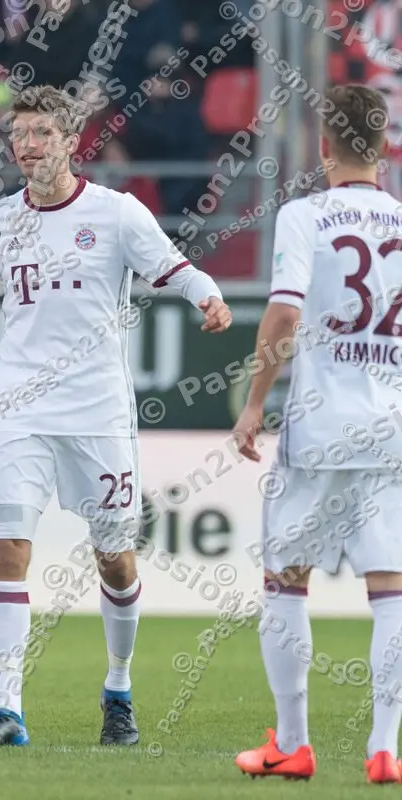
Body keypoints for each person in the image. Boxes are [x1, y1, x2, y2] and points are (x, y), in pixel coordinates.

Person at [0, 84, 231, 749]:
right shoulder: (1, 221)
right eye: (18, 136)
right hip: (21, 411)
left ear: (68, 139)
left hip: (98, 414)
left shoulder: (117, 213)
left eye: (40, 134)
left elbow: (174, 268)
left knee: (114, 560)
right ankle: (8, 710)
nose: (27, 147)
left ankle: (118, 685)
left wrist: (209, 296)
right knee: (8, 546)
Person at [233, 84, 402, 784]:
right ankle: (385, 747)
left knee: (284, 579)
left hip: (322, 425)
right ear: (386, 148)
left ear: (324, 146)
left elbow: (282, 316)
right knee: (391, 587)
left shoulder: (306, 216)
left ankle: (294, 744)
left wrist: (252, 405)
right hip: (391, 430)